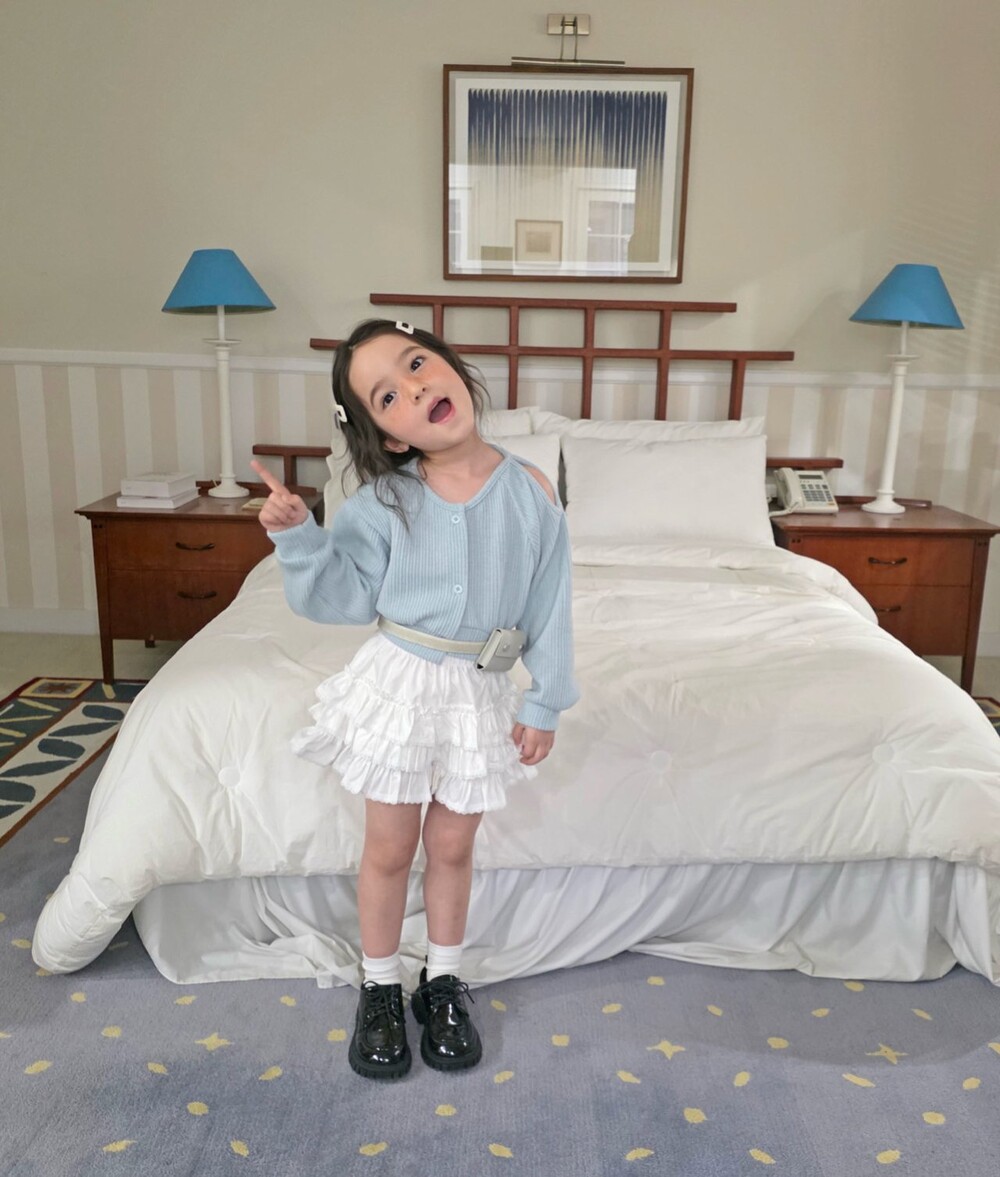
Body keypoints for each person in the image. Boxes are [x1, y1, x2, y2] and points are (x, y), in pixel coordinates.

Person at [249, 319, 578, 1081]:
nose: (416, 387)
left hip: (478, 692)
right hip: (400, 684)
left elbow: (552, 599)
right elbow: (342, 597)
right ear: (389, 435)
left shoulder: (531, 489)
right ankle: (379, 986)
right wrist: (300, 537)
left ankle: (444, 980)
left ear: (453, 367)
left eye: (418, 363)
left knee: (454, 845)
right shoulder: (381, 502)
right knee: (391, 847)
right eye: (388, 395)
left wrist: (546, 699)